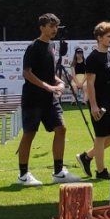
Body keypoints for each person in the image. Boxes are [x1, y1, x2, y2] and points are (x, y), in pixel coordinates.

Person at [17, 14, 73, 186]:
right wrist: (48, 86)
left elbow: (49, 75)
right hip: (32, 98)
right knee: (29, 134)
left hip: (49, 99)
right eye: (51, 26)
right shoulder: (33, 47)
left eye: (56, 26)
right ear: (42, 27)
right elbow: (27, 73)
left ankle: (59, 173)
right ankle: (23, 175)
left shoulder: (52, 46)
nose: (54, 29)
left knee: (61, 129)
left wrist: (59, 82)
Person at [79, 22, 110, 181]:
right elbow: (90, 84)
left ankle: (87, 156)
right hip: (99, 101)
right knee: (100, 137)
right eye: (109, 36)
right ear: (99, 38)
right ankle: (101, 171)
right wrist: (94, 106)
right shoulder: (92, 58)